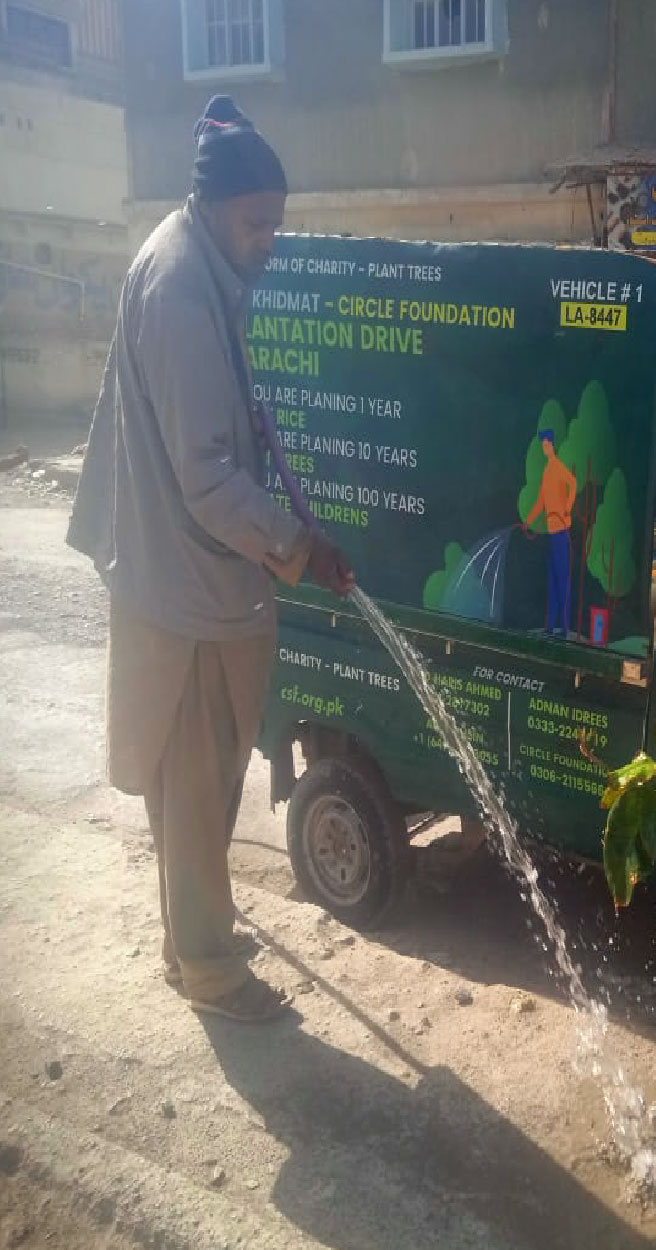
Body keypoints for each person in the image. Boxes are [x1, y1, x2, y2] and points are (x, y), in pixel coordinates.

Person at [68, 95, 354, 1023]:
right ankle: (211, 972)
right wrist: (298, 546)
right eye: (257, 220)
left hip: (181, 575)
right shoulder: (183, 291)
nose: (270, 238)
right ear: (217, 206)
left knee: (193, 789)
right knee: (195, 791)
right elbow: (204, 481)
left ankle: (185, 943)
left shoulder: (197, 259)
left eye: (276, 219)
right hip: (184, 591)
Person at [524, 429, 578, 636]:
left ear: (552, 445)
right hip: (551, 533)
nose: (544, 447)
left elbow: (573, 483)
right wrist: (527, 522)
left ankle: (564, 628)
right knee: (553, 581)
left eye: (546, 444)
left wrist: (567, 508)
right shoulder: (547, 472)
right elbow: (539, 503)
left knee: (562, 580)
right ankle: (550, 626)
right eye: (543, 445)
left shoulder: (556, 467)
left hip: (561, 532)